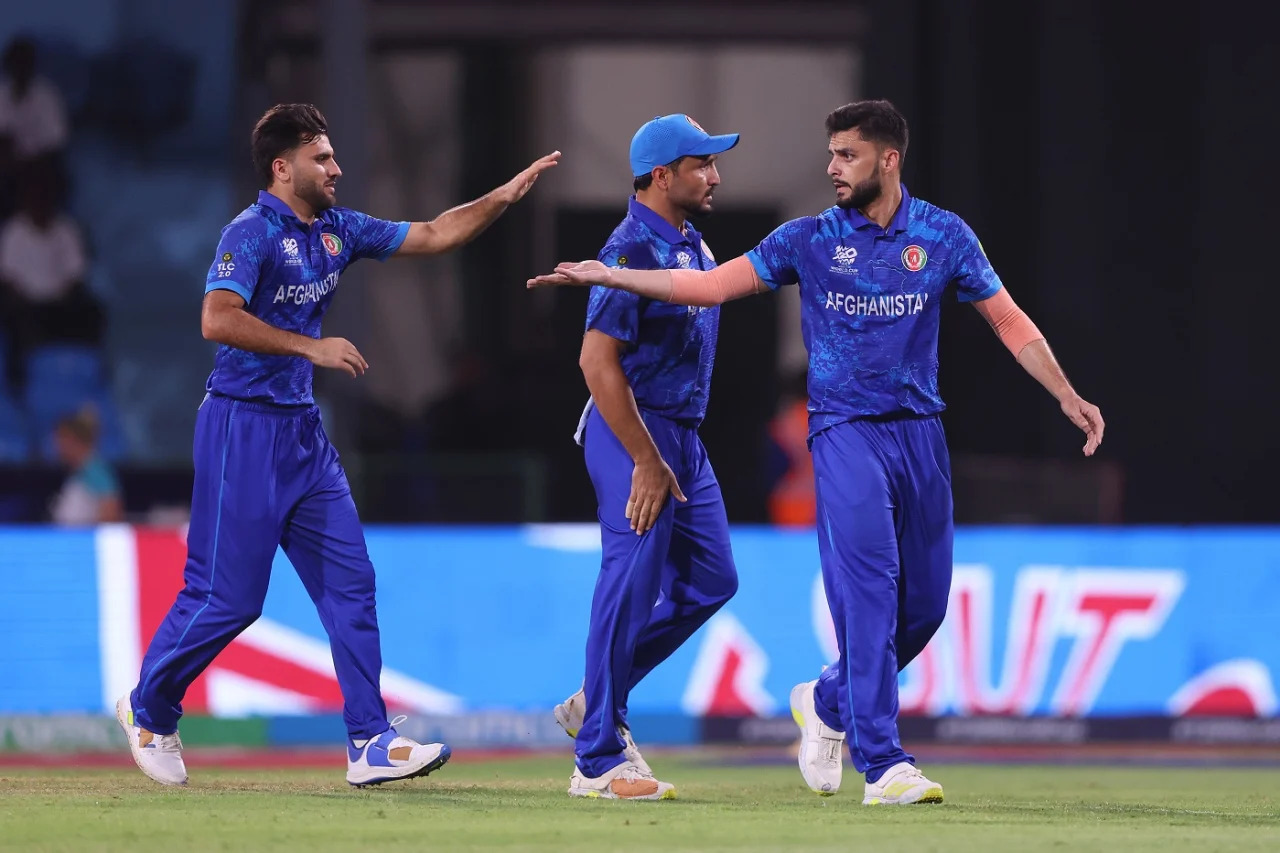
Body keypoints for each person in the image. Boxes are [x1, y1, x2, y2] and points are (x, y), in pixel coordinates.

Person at [528, 99, 1104, 806]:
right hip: (827, 430)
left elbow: (1009, 319)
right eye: (830, 154)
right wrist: (613, 277)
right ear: (660, 173)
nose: (831, 167)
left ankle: (827, 702)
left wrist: (1065, 392)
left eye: (847, 155)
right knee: (855, 590)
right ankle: (882, 761)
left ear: (888, 160)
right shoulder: (800, 240)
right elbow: (698, 299)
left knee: (913, 607)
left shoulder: (942, 235)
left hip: (914, 431)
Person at [116, 103, 559, 788]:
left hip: (301, 432)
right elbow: (216, 317)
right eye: (322, 157)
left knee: (352, 583)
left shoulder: (338, 229)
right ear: (282, 166)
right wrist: (309, 346)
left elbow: (437, 233)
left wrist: (500, 197)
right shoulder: (251, 232)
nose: (337, 167)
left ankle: (369, 740)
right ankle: (148, 708)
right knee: (228, 598)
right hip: (242, 426)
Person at [551, 115, 741, 801]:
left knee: (714, 578)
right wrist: (644, 456)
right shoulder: (629, 247)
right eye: (702, 164)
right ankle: (596, 757)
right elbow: (596, 362)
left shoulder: (692, 243)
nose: (715, 175)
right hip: (632, 429)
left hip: (683, 436)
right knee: (628, 578)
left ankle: (598, 694)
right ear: (661, 176)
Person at [49, 405, 123, 526]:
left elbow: (110, 513)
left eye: (62, 440)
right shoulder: (78, 473)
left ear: (75, 441)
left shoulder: (96, 472)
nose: (57, 447)